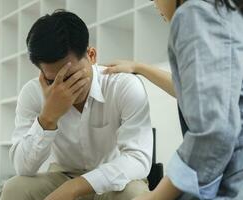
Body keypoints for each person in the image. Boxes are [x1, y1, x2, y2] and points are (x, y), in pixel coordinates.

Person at [0, 10, 154, 200]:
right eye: (52, 80)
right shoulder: (32, 93)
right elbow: (23, 167)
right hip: (61, 176)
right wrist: (48, 118)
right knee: (13, 189)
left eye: (71, 76)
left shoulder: (123, 85)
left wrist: (76, 187)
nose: (64, 88)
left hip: (112, 180)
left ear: (91, 55)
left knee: (136, 193)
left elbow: (138, 160)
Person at [104, 0, 243, 199]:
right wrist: (138, 67)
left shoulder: (194, 14)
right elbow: (194, 91)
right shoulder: (226, 13)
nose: (153, 2)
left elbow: (215, 131)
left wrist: (156, 197)